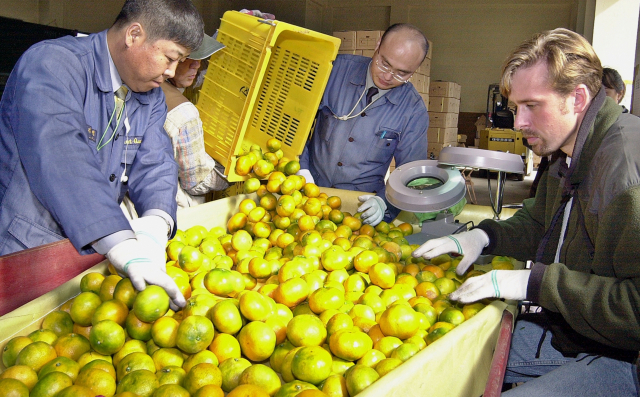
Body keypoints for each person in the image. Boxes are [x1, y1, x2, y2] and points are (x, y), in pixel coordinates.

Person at [413, 28, 640, 395]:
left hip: (622, 357)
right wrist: (485, 235)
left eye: (531, 106)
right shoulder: (569, 153)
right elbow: (540, 222)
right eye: (516, 108)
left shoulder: (624, 171)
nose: (518, 123)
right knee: (465, 360)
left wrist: (535, 283)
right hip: (574, 329)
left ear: (577, 98)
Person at [0, 0, 206, 309]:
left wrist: (155, 223)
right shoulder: (52, 66)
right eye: (169, 58)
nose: (172, 72)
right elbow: (62, 158)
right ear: (134, 35)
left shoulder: (147, 95)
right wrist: (120, 241)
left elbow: (156, 162)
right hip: (30, 251)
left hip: (92, 256)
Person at [298, 23, 429, 226]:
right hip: (309, 192)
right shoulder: (335, 71)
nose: (387, 76)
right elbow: (296, 122)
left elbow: (410, 171)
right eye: (384, 63)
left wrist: (384, 202)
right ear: (377, 46)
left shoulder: (413, 109)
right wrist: (302, 168)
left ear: (414, 70)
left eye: (401, 73)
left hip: (362, 208)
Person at [160, 34, 229, 208]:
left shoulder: (145, 83)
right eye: (188, 58)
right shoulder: (185, 114)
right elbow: (196, 182)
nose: (196, 65)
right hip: (172, 207)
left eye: (200, 59)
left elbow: (197, 77)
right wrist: (235, 173)